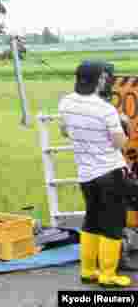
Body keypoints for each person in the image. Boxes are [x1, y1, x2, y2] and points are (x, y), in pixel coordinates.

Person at [59, 60, 132, 287]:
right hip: (110, 173)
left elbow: (64, 131)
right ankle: (108, 276)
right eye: (104, 76)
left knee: (92, 221)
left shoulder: (66, 102)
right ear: (99, 79)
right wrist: (123, 123)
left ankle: (88, 270)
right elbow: (120, 142)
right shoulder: (106, 109)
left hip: (86, 174)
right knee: (112, 223)